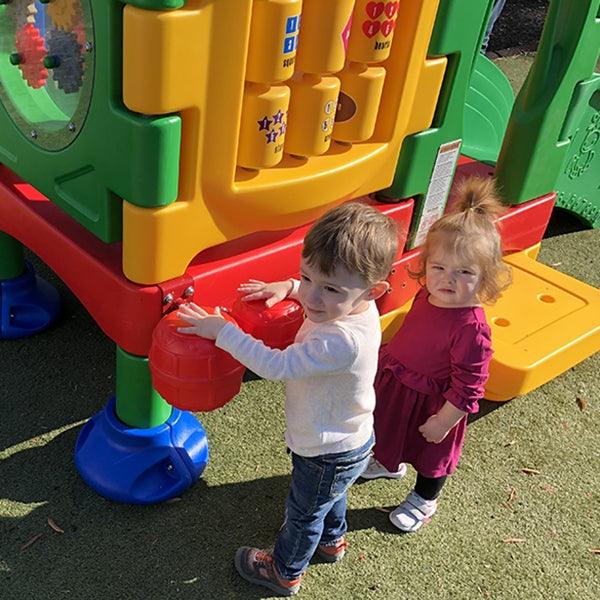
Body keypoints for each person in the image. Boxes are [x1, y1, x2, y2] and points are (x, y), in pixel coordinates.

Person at [177, 202, 399, 596]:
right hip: (349, 439)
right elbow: (317, 291)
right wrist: (289, 287)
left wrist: (221, 332)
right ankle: (333, 542)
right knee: (331, 496)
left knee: (303, 514)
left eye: (330, 289)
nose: (312, 297)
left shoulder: (340, 340)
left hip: (326, 449)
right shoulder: (354, 309)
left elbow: (276, 366)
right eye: (306, 277)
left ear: (373, 290)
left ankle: (285, 570)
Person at [360, 176, 512, 533]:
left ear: (486, 277)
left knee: (431, 457)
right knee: (384, 429)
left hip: (434, 404)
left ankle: (424, 499)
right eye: (439, 267)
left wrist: (444, 421)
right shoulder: (425, 295)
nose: (448, 279)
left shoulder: (472, 328)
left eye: (464, 272)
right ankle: (388, 463)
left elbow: (470, 386)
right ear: (425, 264)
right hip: (399, 383)